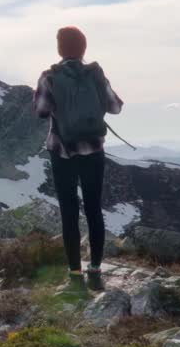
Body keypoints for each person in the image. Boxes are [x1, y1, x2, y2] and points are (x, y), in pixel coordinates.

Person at [32, 26, 123, 291]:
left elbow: (41, 111)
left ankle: (74, 273)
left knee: (69, 211)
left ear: (60, 49)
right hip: (93, 150)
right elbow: (115, 106)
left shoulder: (49, 76)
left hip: (62, 151)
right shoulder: (95, 74)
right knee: (94, 208)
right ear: (83, 49)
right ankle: (95, 268)